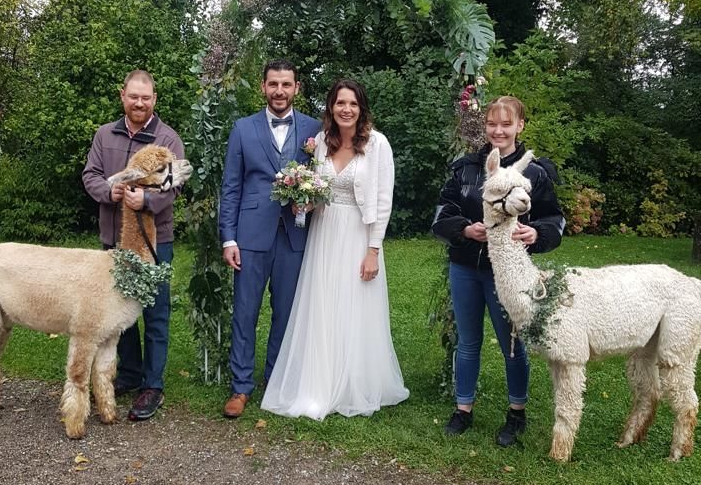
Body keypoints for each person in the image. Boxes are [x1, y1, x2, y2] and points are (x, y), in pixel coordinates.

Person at [261, 79, 409, 420]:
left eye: (353, 104)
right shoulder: (322, 146)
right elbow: (318, 192)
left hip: (359, 233)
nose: (346, 109)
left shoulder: (377, 144)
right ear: (331, 107)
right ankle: (319, 380)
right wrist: (301, 200)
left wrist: (374, 249)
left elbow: (384, 199)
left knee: (354, 304)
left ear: (361, 108)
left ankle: (352, 382)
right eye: (340, 103)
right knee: (323, 303)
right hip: (324, 233)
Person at [431, 95, 564, 446]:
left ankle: (517, 412)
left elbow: (554, 217)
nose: (499, 130)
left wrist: (538, 233)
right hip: (466, 267)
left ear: (520, 125)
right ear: (484, 126)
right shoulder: (466, 169)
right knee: (468, 340)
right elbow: (442, 213)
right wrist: (463, 228)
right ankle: (463, 409)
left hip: (508, 273)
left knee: (512, 342)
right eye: (492, 123)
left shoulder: (535, 171)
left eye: (507, 124)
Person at [219, 60, 322, 418]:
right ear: (263, 87)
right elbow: (231, 187)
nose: (280, 91)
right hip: (250, 235)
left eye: (286, 84)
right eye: (273, 84)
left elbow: (322, 177)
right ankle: (241, 387)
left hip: (295, 234)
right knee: (245, 313)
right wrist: (228, 238)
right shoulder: (243, 128)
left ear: (296, 88)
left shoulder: (314, 129)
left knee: (287, 314)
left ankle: (277, 380)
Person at [82, 69, 184, 421]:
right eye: (133, 96)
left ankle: (152, 385)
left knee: (155, 314)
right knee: (119, 313)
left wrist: (149, 202)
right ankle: (129, 373)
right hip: (115, 241)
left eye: (146, 97)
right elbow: (90, 175)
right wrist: (108, 192)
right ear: (123, 95)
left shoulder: (168, 139)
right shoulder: (103, 135)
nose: (139, 102)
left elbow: (175, 185)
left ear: (154, 99)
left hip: (156, 243)